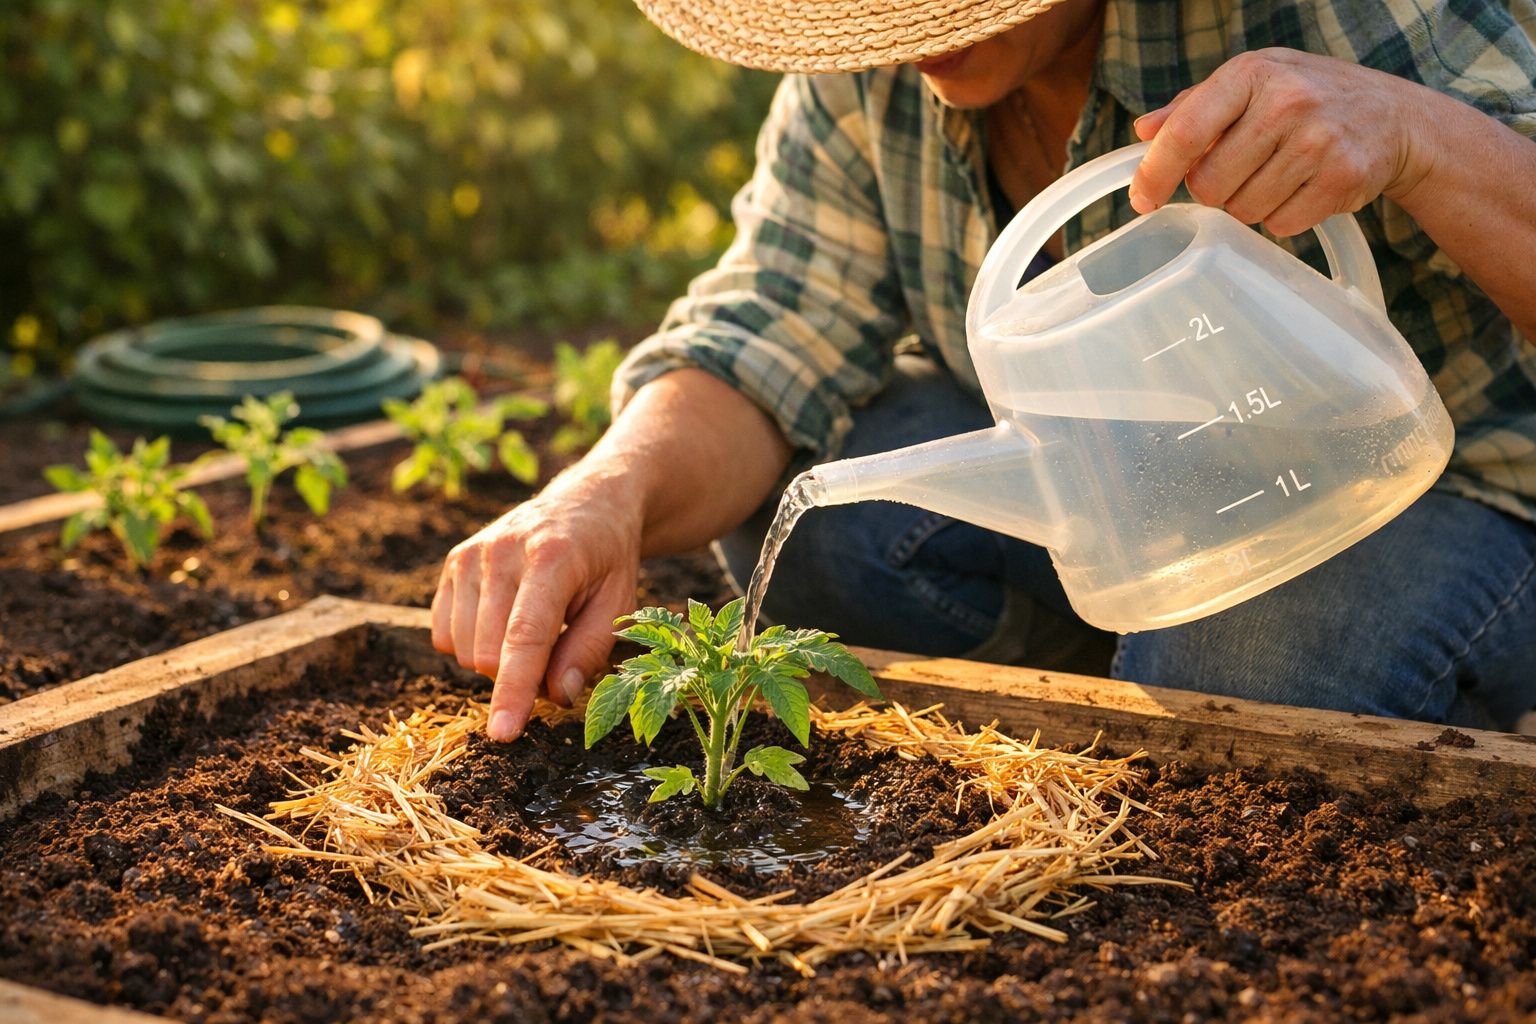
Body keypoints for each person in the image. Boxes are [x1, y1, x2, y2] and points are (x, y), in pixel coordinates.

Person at [433, 0, 1536, 743]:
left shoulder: (1349, 12)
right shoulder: (861, 70)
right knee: (821, 515)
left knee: (1233, 679)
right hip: (1126, 488)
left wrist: (1413, 133)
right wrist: (604, 492)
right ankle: (1112, 671)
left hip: (1440, 487)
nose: (905, 27)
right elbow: (774, 321)